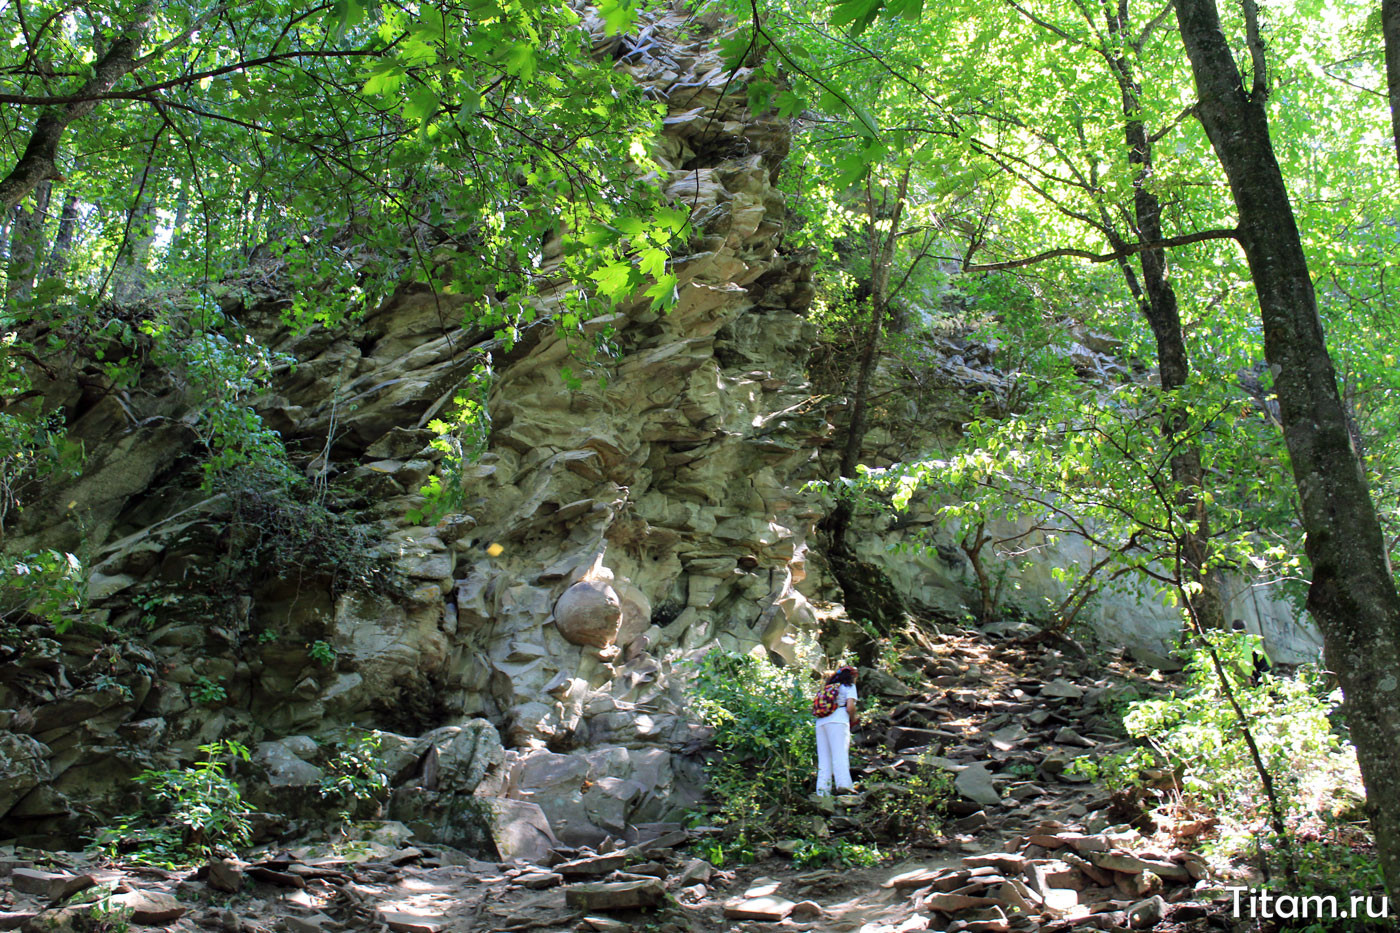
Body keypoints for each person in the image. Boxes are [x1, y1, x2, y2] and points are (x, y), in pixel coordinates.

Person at [815, 665, 860, 796]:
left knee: (824, 759)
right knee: (840, 754)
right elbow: (850, 707)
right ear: (852, 676)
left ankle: (822, 792)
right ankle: (844, 786)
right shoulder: (849, 686)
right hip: (838, 721)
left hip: (821, 722)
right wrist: (853, 719)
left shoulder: (827, 688)